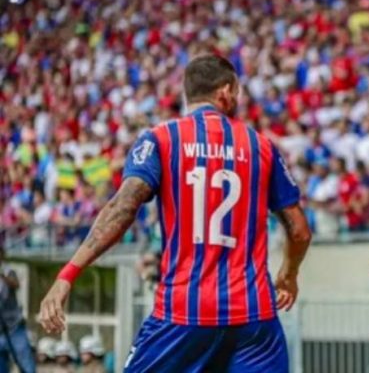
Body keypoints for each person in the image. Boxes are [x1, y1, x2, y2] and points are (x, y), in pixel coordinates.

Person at [38, 55, 312, 372]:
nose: (238, 98)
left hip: (182, 313)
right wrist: (289, 275)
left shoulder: (161, 140)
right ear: (226, 91)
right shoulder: (261, 146)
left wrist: (68, 274)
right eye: (237, 91)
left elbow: (123, 207)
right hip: (254, 319)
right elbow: (299, 230)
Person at [0, 246, 36, 373]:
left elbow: (15, 284)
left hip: (14, 328)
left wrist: (2, 276)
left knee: (26, 365)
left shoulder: (8, 270)